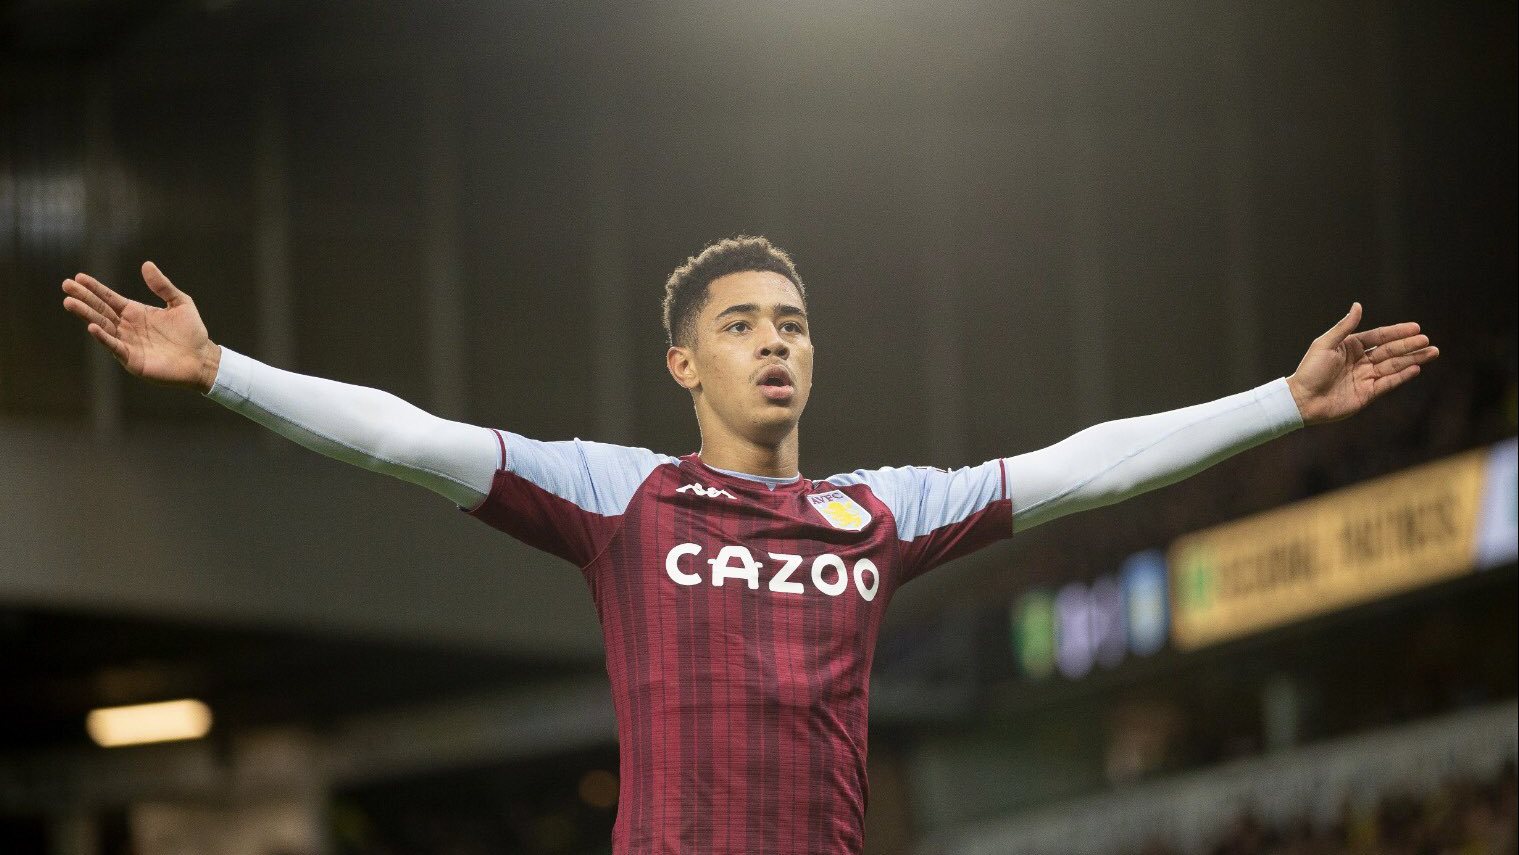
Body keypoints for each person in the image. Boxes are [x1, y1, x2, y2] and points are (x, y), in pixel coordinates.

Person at [60, 236, 1438, 854]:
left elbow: (1080, 469)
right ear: (684, 363)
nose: (775, 341)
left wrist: (1281, 401)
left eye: (793, 323)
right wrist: (226, 370)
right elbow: (409, 439)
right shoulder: (622, 496)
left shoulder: (875, 513)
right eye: (741, 324)